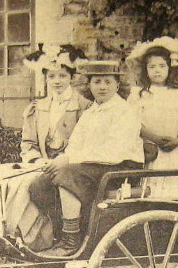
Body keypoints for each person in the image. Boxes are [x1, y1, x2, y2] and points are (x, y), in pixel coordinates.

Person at [29, 60, 144, 257]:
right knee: (40, 185)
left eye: (108, 82)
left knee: (67, 176)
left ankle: (71, 241)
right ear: (89, 85)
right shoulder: (91, 112)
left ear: (117, 85)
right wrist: (59, 159)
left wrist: (69, 160)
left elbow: (114, 152)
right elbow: (75, 144)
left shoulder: (125, 111)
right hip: (92, 166)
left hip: (121, 168)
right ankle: (63, 232)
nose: (102, 87)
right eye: (97, 81)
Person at [0, 44, 92, 251]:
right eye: (52, 77)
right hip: (41, 164)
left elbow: (86, 144)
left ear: (71, 77)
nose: (57, 81)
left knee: (28, 184)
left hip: (70, 166)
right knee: (0, 174)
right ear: (45, 78)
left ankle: (39, 237)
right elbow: (28, 143)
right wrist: (37, 160)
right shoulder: (37, 107)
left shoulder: (84, 106)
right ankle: (10, 234)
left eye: (62, 75)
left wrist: (60, 161)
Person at [127, 37, 178, 198]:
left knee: (173, 187)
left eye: (162, 66)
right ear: (146, 70)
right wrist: (155, 138)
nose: (157, 70)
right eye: (152, 67)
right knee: (151, 188)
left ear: (170, 68)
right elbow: (133, 123)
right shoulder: (138, 94)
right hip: (151, 148)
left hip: (174, 149)